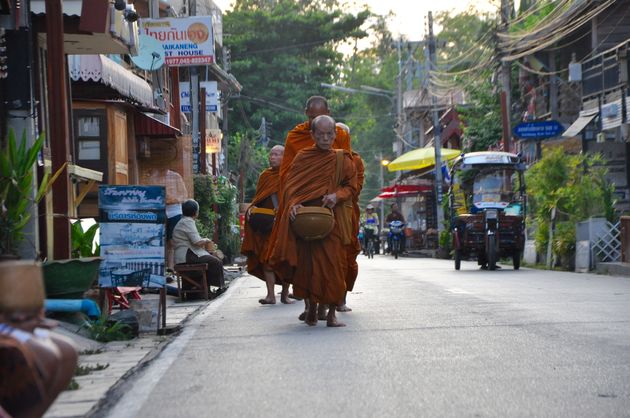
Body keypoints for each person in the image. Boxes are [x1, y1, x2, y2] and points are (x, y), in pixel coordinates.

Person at [268, 96, 353, 321]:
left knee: (333, 264)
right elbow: (290, 181)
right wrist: (292, 205)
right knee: (307, 264)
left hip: (331, 215)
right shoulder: (301, 149)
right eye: (320, 132)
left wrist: (337, 196)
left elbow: (351, 182)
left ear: (335, 134)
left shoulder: (340, 155)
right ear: (312, 133)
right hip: (305, 216)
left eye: (329, 134)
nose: (325, 138)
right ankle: (311, 306)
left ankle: (332, 311)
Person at [241, 145, 293, 305]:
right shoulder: (265, 176)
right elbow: (259, 198)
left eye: (277, 154)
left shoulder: (290, 175)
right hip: (267, 225)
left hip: (284, 226)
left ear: (285, 157)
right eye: (271, 154)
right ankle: (270, 295)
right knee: (266, 260)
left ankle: (284, 294)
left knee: (285, 260)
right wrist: (252, 208)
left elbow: (294, 198)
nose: (272, 157)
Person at [335, 122, 364, 313]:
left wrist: (337, 194)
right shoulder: (318, 158)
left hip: (346, 212)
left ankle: (341, 299)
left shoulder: (355, 161)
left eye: (340, 135)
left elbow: (356, 188)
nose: (336, 138)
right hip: (321, 209)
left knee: (345, 257)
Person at [172, 199, 225, 292]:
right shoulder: (187, 222)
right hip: (187, 255)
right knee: (216, 262)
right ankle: (219, 288)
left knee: (212, 259)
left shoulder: (184, 221)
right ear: (196, 212)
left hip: (186, 254)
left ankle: (206, 289)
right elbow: (197, 241)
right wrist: (206, 240)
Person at [143, 168, 188, 271]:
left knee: (172, 240)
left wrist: (172, 199)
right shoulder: (152, 177)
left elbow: (183, 195)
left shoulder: (176, 176)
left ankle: (171, 267)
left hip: (174, 210)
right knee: (157, 239)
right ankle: (159, 267)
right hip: (158, 210)